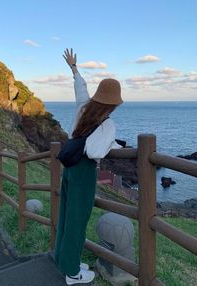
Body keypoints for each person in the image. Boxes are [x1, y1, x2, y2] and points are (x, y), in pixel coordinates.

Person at [54, 48, 123, 285]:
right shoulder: (108, 123)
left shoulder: (85, 107)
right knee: (78, 221)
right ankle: (73, 274)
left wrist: (74, 68)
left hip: (69, 168)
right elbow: (94, 151)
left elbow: (80, 88)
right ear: (114, 103)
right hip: (84, 172)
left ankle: (64, 259)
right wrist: (111, 144)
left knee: (66, 215)